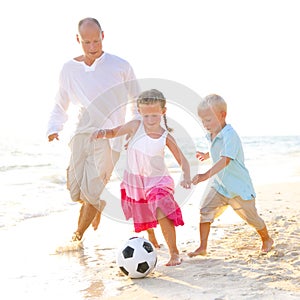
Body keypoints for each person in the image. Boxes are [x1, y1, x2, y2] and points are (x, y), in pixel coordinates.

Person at [47, 17, 141, 243]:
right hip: (82, 135)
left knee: (91, 192)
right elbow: (61, 101)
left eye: (96, 41)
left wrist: (133, 129)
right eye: (86, 42)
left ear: (103, 36)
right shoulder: (69, 69)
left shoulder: (120, 65)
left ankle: (77, 236)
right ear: (77, 39)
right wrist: (53, 126)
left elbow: (136, 100)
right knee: (75, 190)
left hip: (111, 139)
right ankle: (97, 204)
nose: (92, 47)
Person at [92, 89, 192, 266]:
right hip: (136, 181)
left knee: (161, 209)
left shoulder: (165, 136)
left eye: (155, 115)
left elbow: (182, 159)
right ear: (140, 112)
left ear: (163, 111)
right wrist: (102, 133)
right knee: (144, 214)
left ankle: (174, 253)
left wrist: (186, 175)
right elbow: (115, 131)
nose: (151, 120)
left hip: (158, 180)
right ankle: (152, 238)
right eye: (146, 116)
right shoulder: (135, 126)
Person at [188, 94, 274, 257]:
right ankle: (202, 247)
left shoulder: (230, 134)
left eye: (208, 120)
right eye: (203, 121)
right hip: (220, 185)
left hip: (238, 187)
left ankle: (266, 239)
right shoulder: (212, 134)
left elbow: (225, 159)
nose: (205, 124)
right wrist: (207, 155)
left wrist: (205, 175)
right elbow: (218, 150)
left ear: (222, 115)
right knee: (205, 209)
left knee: (251, 218)